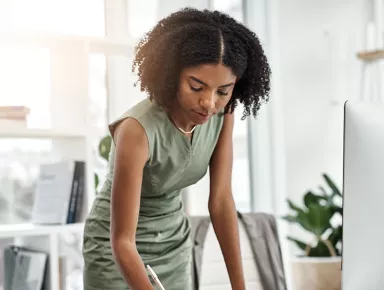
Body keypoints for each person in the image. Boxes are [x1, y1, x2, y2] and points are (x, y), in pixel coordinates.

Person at [82, 7, 271, 290]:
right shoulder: (137, 130)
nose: (209, 103)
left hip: (172, 245)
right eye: (197, 87)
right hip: (116, 251)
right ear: (171, 73)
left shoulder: (223, 115)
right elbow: (122, 241)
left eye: (223, 90)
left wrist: (239, 287)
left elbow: (220, 202)